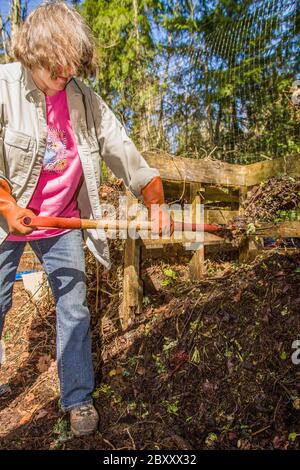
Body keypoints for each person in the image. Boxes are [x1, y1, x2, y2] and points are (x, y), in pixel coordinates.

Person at [0, 1, 171, 437]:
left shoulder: (82, 96)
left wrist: (153, 196)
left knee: (74, 307)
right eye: (57, 65)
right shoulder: (3, 86)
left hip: (61, 221)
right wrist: (6, 206)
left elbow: (120, 146)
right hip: (6, 218)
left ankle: (77, 397)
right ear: (33, 52)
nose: (65, 73)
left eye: (72, 65)